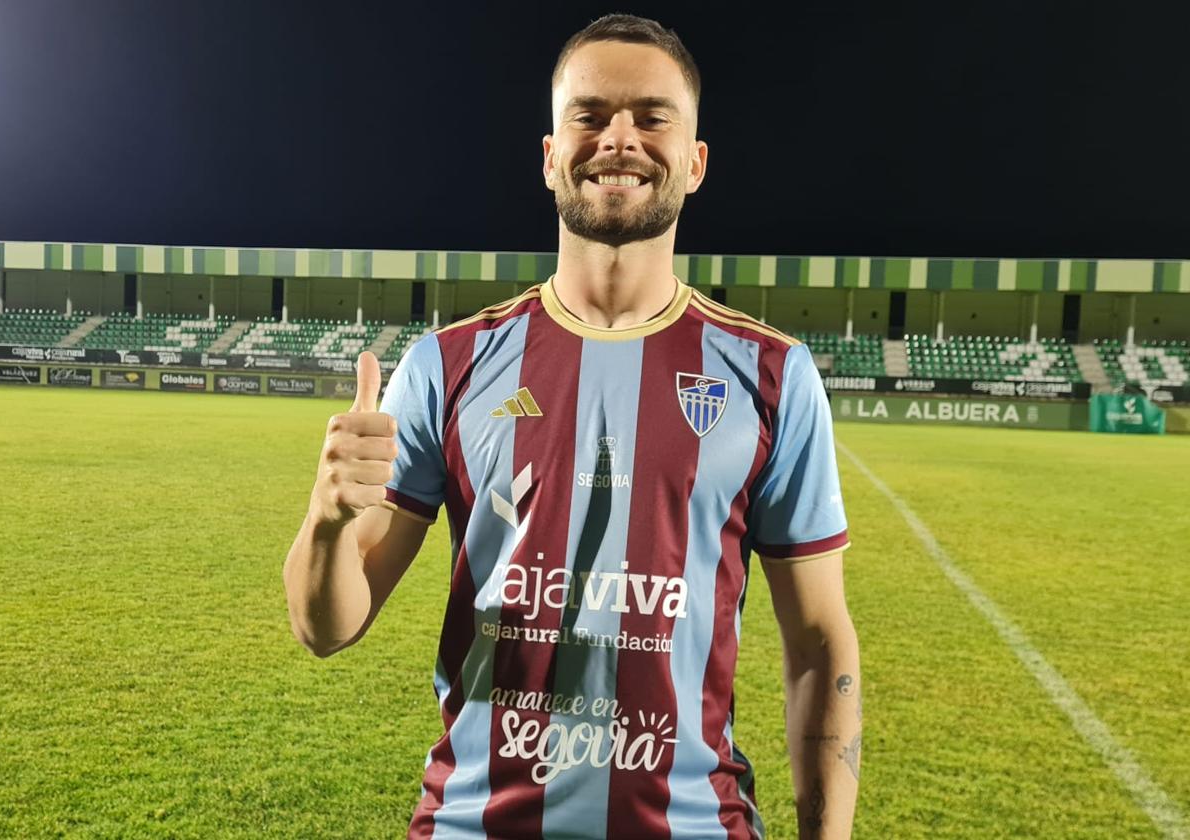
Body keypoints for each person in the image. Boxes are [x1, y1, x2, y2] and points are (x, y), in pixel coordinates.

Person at [283, 13, 861, 839]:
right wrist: (329, 520)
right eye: (589, 115)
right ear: (551, 154)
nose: (619, 138)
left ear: (694, 164)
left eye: (652, 117)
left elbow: (819, 642)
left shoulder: (771, 375)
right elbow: (324, 628)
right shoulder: (447, 365)